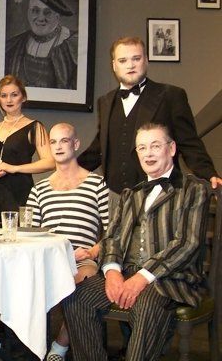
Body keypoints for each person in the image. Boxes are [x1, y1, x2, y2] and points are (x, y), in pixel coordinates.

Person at [63, 123, 211, 360]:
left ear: (172, 148)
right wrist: (112, 271)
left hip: (169, 279)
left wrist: (142, 277)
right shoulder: (130, 194)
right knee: (76, 297)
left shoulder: (193, 189)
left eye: (155, 146)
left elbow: (187, 243)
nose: (148, 153)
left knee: (146, 305)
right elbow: (111, 237)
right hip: (126, 272)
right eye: (142, 148)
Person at [78, 36, 221, 197]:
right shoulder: (105, 101)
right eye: (123, 60)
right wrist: (68, 170)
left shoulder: (171, 96)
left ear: (146, 61)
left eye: (136, 59)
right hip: (114, 197)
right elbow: (99, 147)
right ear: (114, 66)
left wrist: (209, 174)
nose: (130, 65)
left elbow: (189, 143)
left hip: (161, 195)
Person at [26, 123, 109, 361]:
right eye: (53, 142)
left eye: (64, 141)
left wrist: (92, 252)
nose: (58, 146)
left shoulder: (97, 184)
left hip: (83, 260)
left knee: (79, 286)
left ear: (76, 144)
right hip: (48, 260)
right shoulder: (39, 189)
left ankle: (59, 347)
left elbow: (113, 231)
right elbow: (31, 234)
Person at [0, 74, 54, 222]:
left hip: (19, 193)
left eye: (14, 95)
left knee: (19, 233)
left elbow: (50, 162)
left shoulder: (35, 127)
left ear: (23, 97)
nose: (9, 100)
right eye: (4, 96)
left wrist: (15, 168)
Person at [5, 0, 78, 89]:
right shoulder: (14, 45)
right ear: (28, 13)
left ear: (57, 17)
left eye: (47, 12)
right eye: (35, 11)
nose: (41, 18)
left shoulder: (72, 45)